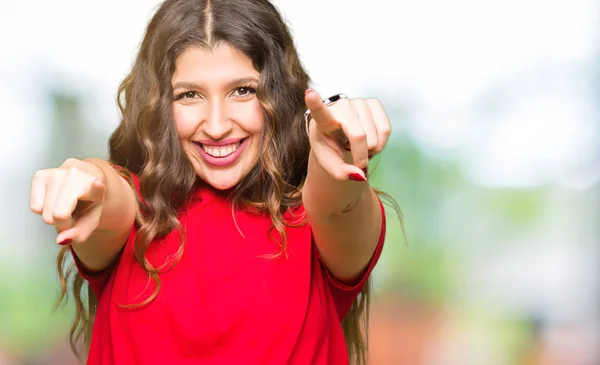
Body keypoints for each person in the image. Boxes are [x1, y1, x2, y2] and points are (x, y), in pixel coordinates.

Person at [29, 0, 400, 364]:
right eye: (189, 95)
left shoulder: (315, 223)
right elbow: (111, 195)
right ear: (159, 106)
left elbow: (337, 204)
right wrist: (88, 175)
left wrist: (333, 153)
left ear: (276, 94)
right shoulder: (135, 221)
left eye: (243, 90)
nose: (218, 125)